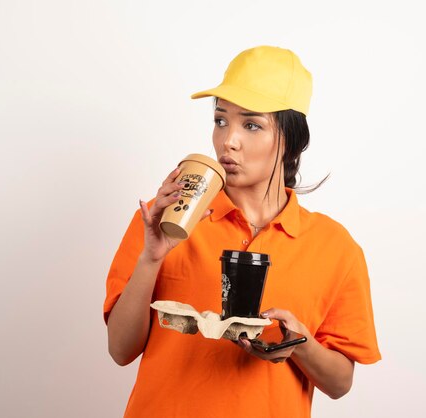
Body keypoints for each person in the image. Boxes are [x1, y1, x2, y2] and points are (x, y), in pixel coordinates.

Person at [103, 45, 381, 418]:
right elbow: (120, 350)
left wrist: (299, 344)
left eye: (251, 124)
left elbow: (339, 383)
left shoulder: (335, 247)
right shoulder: (169, 216)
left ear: (292, 139)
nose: (228, 141)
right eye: (221, 121)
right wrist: (151, 257)